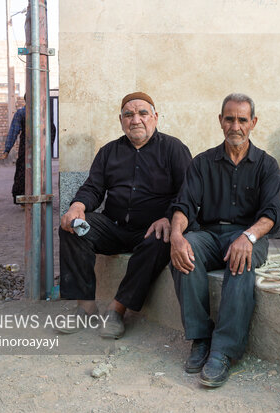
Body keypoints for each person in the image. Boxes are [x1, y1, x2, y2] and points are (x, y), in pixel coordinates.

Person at [58, 92, 192, 339]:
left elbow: (188, 193)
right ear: (121, 120)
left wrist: (169, 217)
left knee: (163, 239)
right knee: (72, 227)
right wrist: (77, 205)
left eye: (143, 113)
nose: (136, 120)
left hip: (152, 229)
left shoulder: (173, 149)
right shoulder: (109, 151)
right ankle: (86, 306)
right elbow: (93, 187)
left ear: (155, 117)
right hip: (114, 226)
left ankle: (117, 309)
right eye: (128, 114)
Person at [169, 93, 280, 388]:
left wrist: (248, 236)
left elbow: (269, 215)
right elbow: (184, 206)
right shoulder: (202, 162)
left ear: (253, 123)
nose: (235, 126)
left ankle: (223, 351)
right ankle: (201, 338)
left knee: (240, 260)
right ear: (220, 121)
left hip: (248, 235)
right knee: (185, 250)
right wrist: (177, 235)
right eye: (229, 118)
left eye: (242, 119)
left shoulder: (266, 165)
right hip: (209, 234)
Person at [2, 95, 56, 206]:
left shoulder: (33, 113)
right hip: (34, 148)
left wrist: (7, 149)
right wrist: (7, 149)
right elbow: (14, 131)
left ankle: (29, 198)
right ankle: (29, 198)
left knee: (26, 172)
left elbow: (51, 129)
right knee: (32, 172)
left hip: (30, 148)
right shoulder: (32, 113)